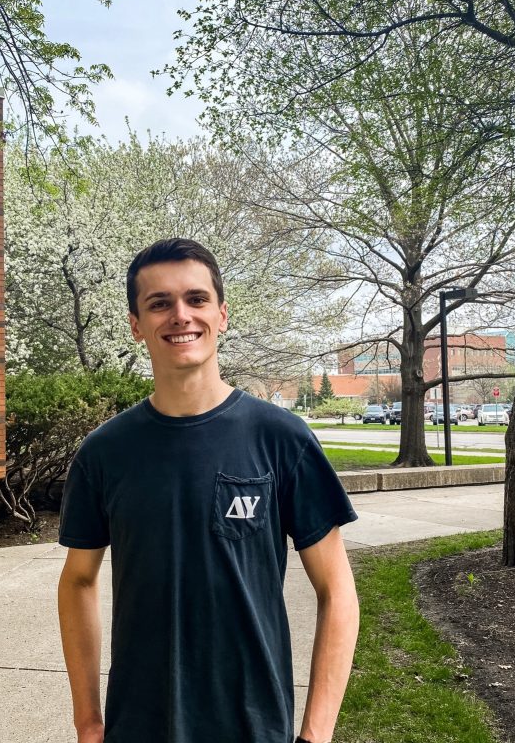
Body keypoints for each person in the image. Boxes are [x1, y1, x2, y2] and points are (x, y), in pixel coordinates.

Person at [57, 238, 359, 743]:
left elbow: (337, 590)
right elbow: (77, 582)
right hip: (139, 726)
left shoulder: (281, 439)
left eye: (196, 299)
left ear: (221, 314)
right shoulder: (104, 453)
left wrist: (317, 733)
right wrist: (88, 722)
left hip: (255, 725)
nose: (180, 315)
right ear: (136, 326)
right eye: (159, 303)